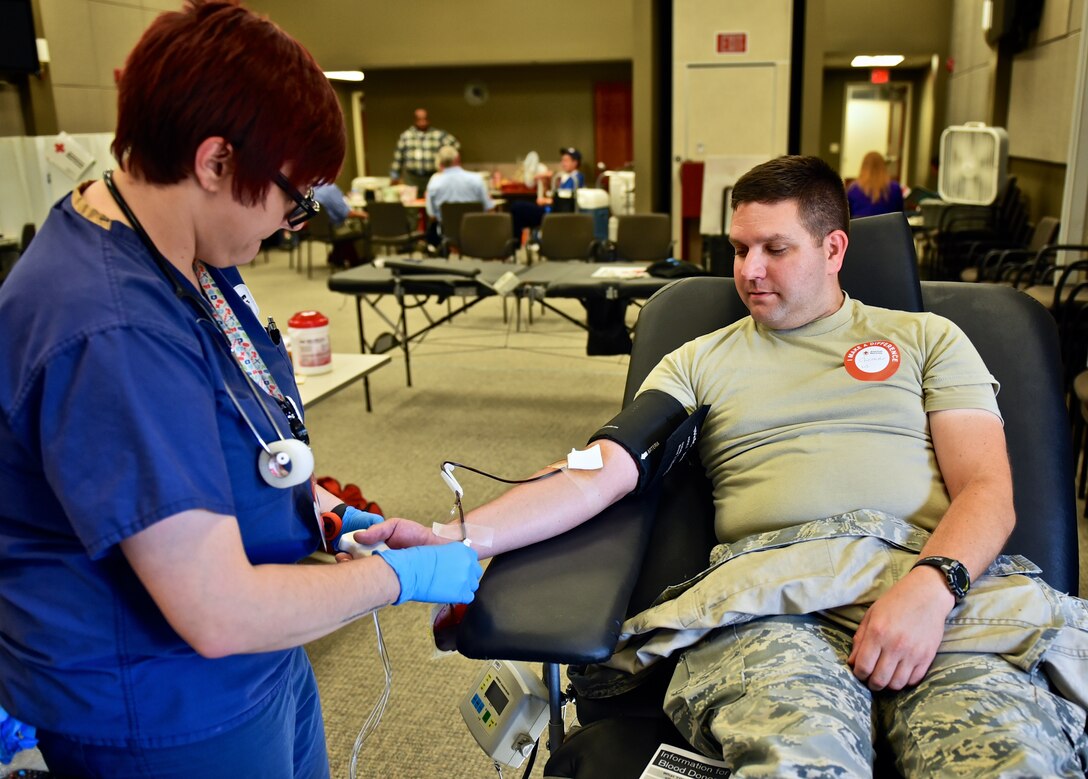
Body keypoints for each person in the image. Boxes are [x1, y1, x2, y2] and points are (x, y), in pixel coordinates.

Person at [354, 156, 1088, 776]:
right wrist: (458, 537)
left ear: (833, 249)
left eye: (775, 249)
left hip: (930, 586)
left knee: (1004, 755)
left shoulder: (927, 339)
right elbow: (600, 466)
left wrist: (935, 586)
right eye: (738, 249)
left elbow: (988, 490)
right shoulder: (699, 359)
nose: (750, 270)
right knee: (801, 755)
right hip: (771, 606)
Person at [0, 3, 481, 777]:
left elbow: (230, 429)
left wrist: (326, 517)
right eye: (291, 200)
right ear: (217, 162)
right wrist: (398, 577)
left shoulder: (179, 254)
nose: (291, 225)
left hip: (260, 658)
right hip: (166, 705)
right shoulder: (109, 328)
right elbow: (216, 611)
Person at [510, 146, 586, 243]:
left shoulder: (576, 178)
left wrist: (547, 201)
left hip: (553, 213)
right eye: (562, 160)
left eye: (566, 161)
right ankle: (517, 245)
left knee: (517, 207)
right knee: (518, 213)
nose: (563, 163)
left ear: (575, 162)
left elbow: (566, 200)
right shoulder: (565, 177)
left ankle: (514, 246)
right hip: (550, 210)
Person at [424, 145, 494, 247]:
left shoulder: (434, 182)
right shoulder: (477, 179)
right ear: (458, 159)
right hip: (476, 232)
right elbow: (489, 209)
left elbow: (431, 215)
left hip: (446, 234)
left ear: (440, 163)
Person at [389, 108, 459, 195]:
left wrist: (446, 166)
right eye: (419, 119)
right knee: (411, 205)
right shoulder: (406, 136)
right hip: (412, 178)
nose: (422, 122)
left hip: (432, 176)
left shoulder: (438, 135)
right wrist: (395, 176)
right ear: (414, 120)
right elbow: (398, 158)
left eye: (425, 119)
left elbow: (455, 146)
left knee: (432, 203)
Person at [847, 150, 905, 217]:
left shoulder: (853, 189)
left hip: (860, 226)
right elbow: (900, 214)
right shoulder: (895, 187)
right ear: (883, 166)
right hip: (887, 226)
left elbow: (848, 215)